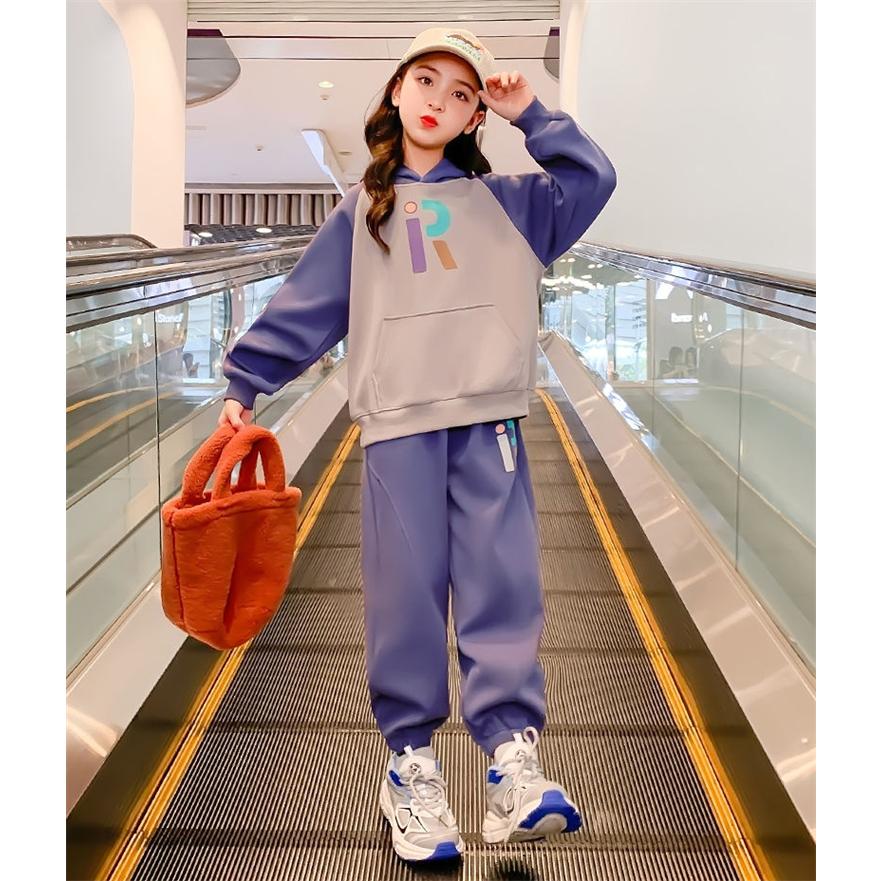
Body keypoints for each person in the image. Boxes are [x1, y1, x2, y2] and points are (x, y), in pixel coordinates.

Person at [218, 26, 617, 863]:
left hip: (489, 417)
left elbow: (592, 178)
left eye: (461, 92)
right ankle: (408, 764)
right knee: (403, 595)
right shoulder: (362, 211)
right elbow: (306, 305)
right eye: (425, 80)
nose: (439, 99)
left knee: (502, 582)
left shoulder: (513, 203)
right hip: (398, 423)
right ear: (396, 91)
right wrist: (244, 383)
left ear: (474, 117)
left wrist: (531, 113)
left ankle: (511, 762)